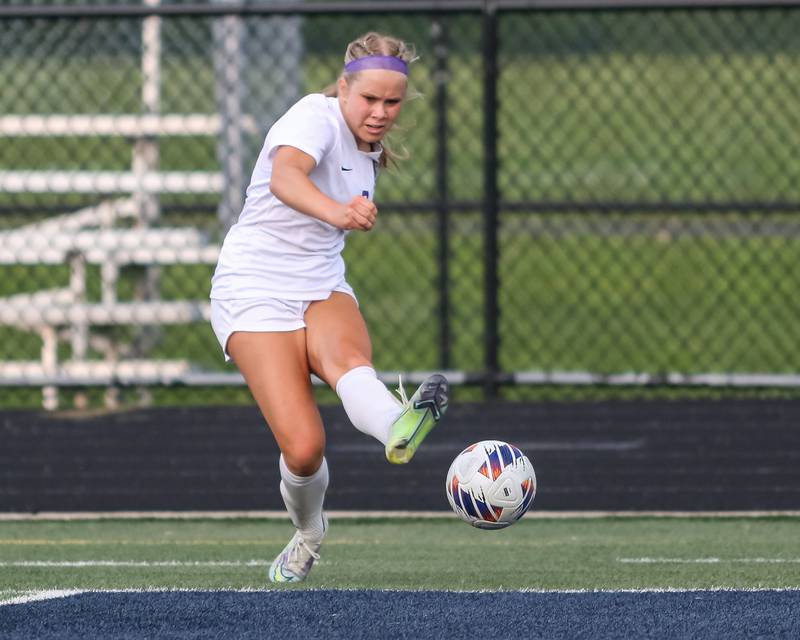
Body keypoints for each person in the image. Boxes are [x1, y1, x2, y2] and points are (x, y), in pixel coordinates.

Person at [209, 32, 449, 583]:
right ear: (343, 87)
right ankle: (310, 531)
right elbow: (285, 177)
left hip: (320, 281)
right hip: (253, 285)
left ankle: (400, 422)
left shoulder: (369, 152)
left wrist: (339, 217)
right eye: (369, 100)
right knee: (304, 447)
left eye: (392, 102)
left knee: (350, 366)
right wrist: (338, 213)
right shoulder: (311, 118)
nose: (381, 112)